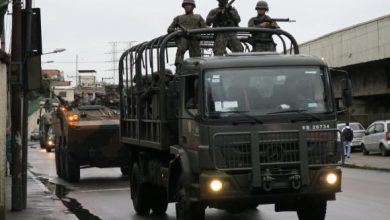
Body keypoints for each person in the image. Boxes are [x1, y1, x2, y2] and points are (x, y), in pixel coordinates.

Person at [167, 0, 207, 70]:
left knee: (196, 58)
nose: (187, 6)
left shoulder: (198, 17)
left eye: (189, 5)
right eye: (186, 5)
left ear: (193, 6)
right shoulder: (178, 18)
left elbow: (205, 28)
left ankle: (196, 70)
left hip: (194, 39)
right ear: (183, 6)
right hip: (183, 38)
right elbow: (169, 29)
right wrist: (177, 31)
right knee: (181, 49)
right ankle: (178, 69)